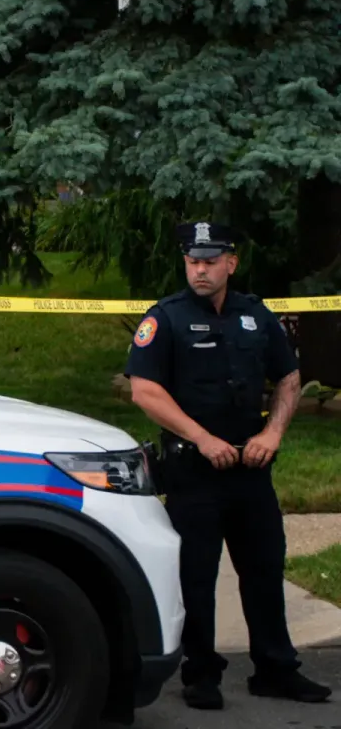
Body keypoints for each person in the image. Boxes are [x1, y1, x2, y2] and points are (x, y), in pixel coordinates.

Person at [125, 222, 331, 709]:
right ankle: (201, 675)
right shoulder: (166, 319)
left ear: (230, 264)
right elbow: (144, 390)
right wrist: (202, 439)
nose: (200, 269)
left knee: (264, 569)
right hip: (194, 472)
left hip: (251, 469)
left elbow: (289, 376)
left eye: (210, 260)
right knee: (196, 577)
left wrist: (273, 433)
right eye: (193, 261)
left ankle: (276, 669)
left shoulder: (255, 316)